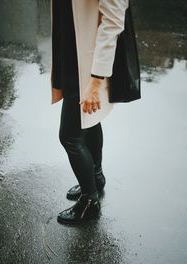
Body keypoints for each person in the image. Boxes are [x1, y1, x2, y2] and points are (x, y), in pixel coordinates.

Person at [51, 0, 135, 225]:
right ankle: (96, 178)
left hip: (86, 62)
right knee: (88, 121)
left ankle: (90, 202)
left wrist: (96, 79)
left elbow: (114, 20)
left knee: (69, 136)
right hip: (71, 51)